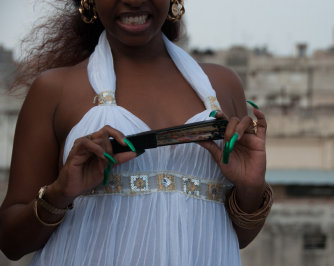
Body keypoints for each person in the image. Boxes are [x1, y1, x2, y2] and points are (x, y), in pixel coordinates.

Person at [0, 0, 272, 265]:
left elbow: (233, 236)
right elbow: (10, 243)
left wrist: (251, 187)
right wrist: (60, 193)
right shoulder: (54, 90)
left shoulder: (222, 87)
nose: (133, 1)